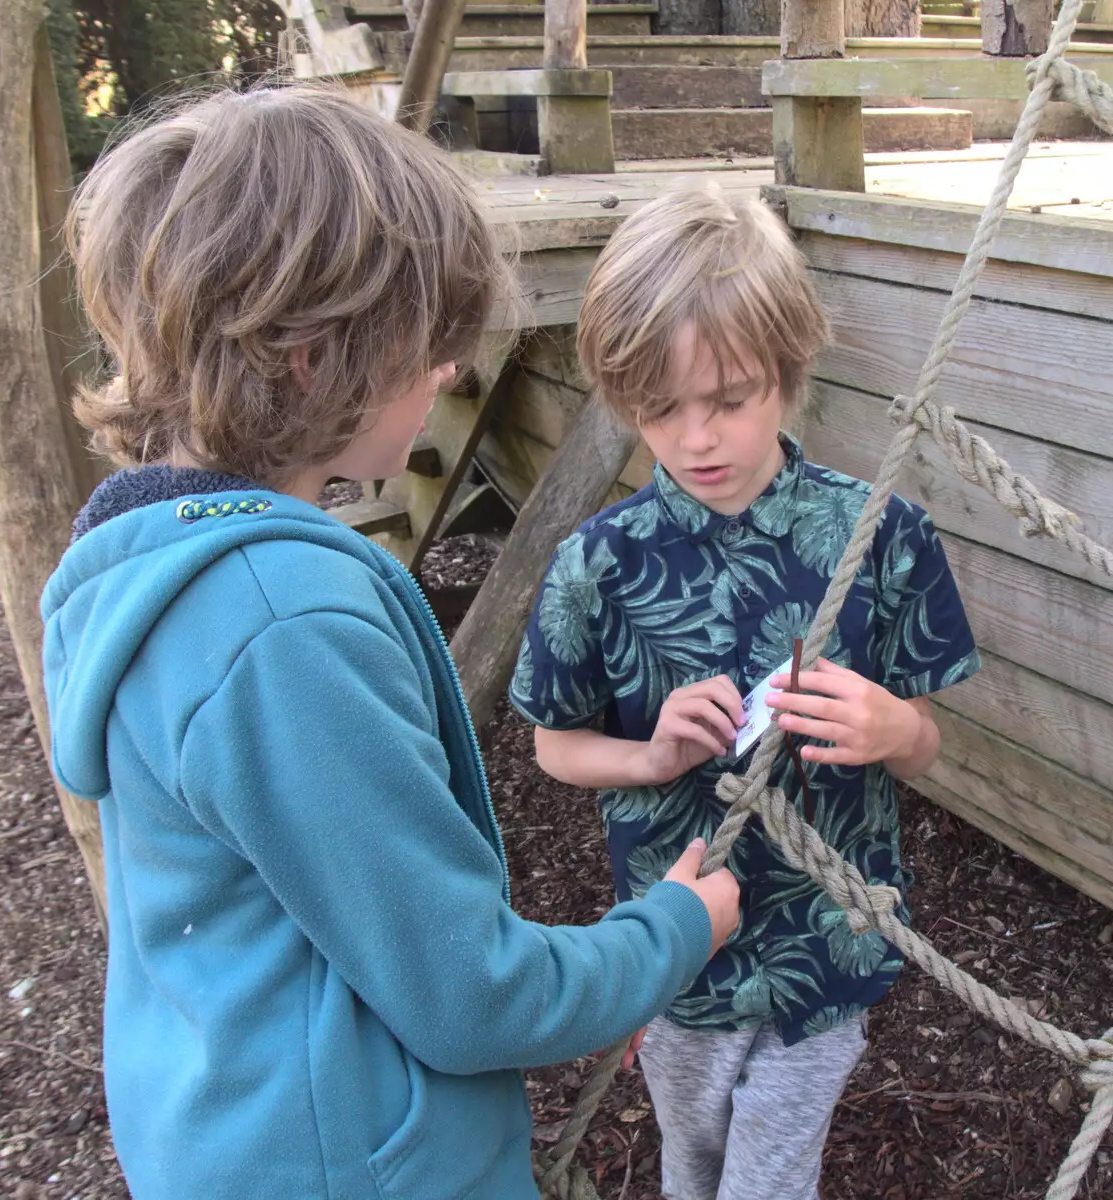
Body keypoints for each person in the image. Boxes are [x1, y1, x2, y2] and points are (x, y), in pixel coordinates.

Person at [40, 85, 739, 1200]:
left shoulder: (144, 559)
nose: (451, 369)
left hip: (231, 1124)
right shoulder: (281, 624)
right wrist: (669, 933)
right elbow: (473, 996)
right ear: (315, 357)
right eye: (430, 344)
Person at [510, 183, 982, 1200]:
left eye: (729, 399)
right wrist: (649, 756)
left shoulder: (878, 538)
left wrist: (892, 725)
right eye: (659, 410)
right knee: (693, 1154)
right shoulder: (598, 564)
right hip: (678, 943)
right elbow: (554, 744)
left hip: (827, 937)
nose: (695, 441)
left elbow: (926, 742)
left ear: (789, 371)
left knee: (769, 1174)